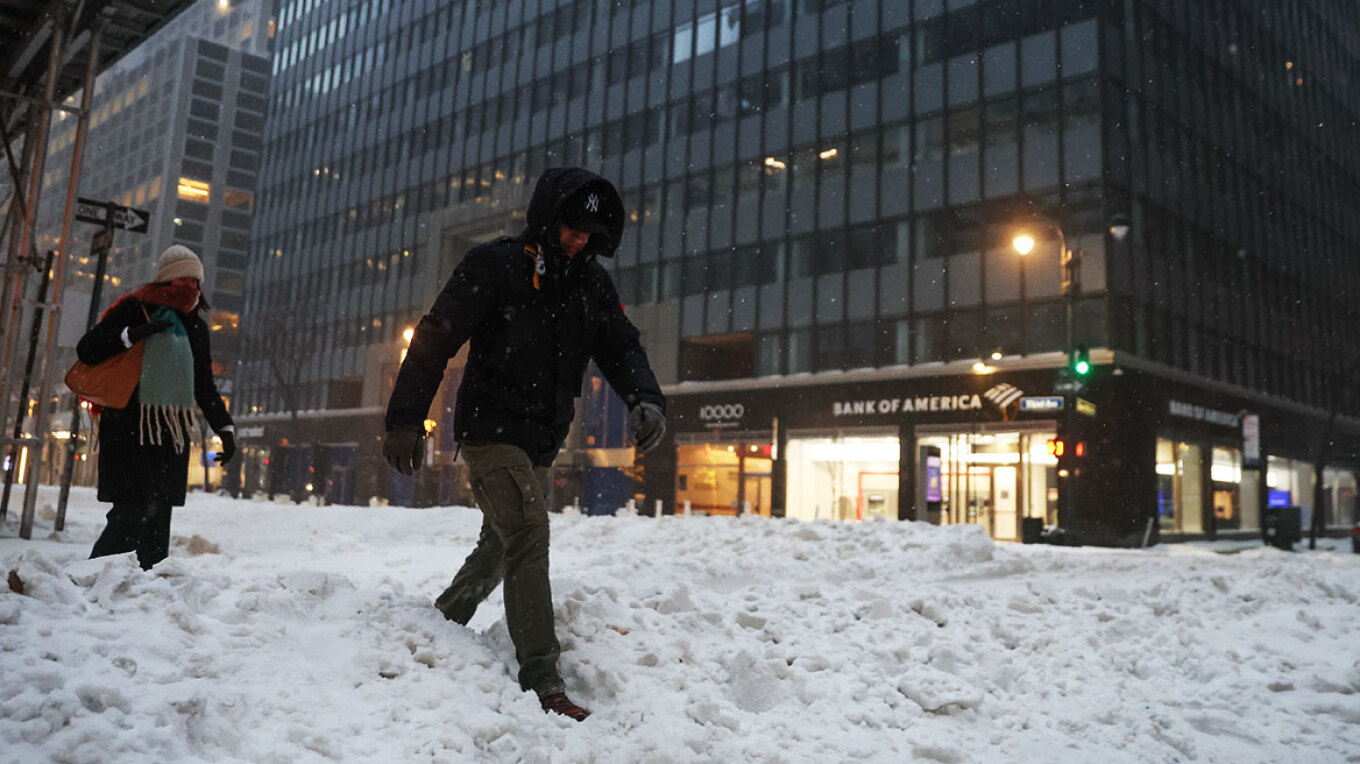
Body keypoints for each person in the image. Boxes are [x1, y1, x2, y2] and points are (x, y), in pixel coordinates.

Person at [383, 167, 667, 721]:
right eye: (571, 229)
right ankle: (544, 682)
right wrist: (405, 420)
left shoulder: (590, 284)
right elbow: (436, 337)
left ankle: (441, 624)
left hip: (541, 438)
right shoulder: (496, 264)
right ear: (548, 217)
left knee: (501, 544)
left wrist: (645, 398)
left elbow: (621, 346)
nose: (578, 241)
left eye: (589, 234)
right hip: (490, 430)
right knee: (530, 533)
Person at [76, 245, 235, 570]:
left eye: (195, 281)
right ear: (165, 279)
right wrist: (131, 335)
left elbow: (204, 386)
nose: (190, 287)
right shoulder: (134, 309)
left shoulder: (195, 327)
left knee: (157, 522)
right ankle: (92, 579)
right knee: (130, 515)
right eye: (182, 279)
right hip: (127, 430)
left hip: (169, 435)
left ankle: (145, 590)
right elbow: (88, 349)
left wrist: (225, 429)